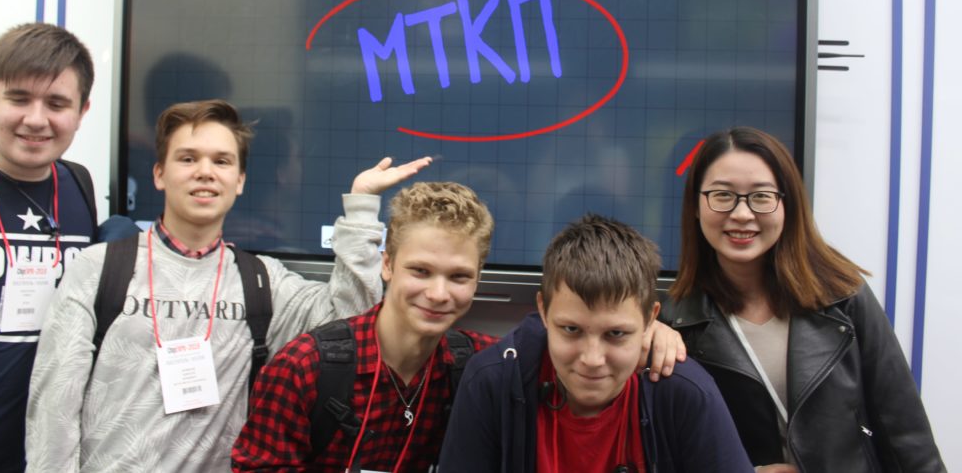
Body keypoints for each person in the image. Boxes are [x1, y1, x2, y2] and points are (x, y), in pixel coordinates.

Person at [25, 99, 430, 472]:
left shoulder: (263, 282)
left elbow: (349, 323)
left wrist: (360, 207)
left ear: (239, 180)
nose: (205, 171)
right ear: (159, 174)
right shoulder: (99, 268)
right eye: (188, 158)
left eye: (221, 161)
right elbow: (53, 407)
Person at [661, 126, 945, 472]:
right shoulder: (675, 322)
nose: (742, 214)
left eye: (761, 196)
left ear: (788, 204)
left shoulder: (843, 296)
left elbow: (905, 430)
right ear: (695, 205)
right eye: (722, 195)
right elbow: (671, 452)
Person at [439, 213, 754, 473]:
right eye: (571, 330)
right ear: (543, 311)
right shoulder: (492, 382)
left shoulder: (685, 392)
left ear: (650, 319)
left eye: (615, 334)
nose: (592, 359)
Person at [231, 181, 498, 472]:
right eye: (420, 271)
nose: (438, 294)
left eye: (458, 277)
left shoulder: (484, 365)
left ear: (477, 279)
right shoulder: (303, 369)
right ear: (387, 265)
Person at [0, 22, 97, 473]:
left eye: (57, 104)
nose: (36, 119)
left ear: (82, 111)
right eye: (19, 98)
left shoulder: (79, 186)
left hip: (44, 459)